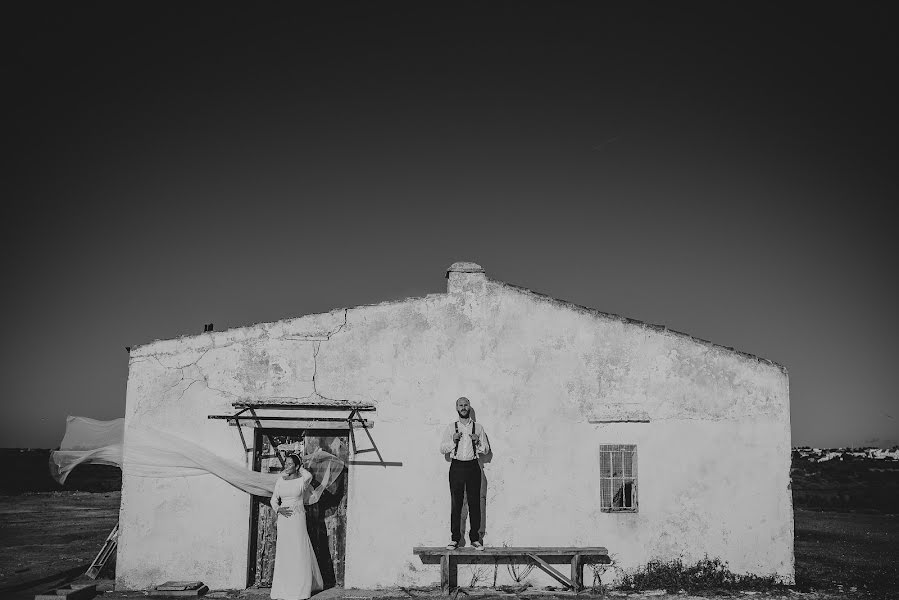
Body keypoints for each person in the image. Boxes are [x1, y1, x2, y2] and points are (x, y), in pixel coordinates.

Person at [439, 396, 490, 550]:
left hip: (473, 466)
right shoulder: (450, 427)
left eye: (466, 405)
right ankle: (455, 538)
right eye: (460, 405)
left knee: (475, 504)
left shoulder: (479, 428)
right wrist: (453, 441)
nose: (463, 407)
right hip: (456, 467)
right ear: (457, 408)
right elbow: (442, 449)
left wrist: (478, 442)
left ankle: (475, 538)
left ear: (469, 407)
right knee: (456, 503)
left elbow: (486, 450)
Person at [270, 454, 323, 600]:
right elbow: (273, 499)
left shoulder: (303, 480)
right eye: (285, 463)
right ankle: (283, 587)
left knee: (299, 549)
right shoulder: (280, 480)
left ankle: (301, 588)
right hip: (284, 519)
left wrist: (300, 462)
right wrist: (278, 509)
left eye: (290, 464)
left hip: (297, 518)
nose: (286, 466)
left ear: (297, 466)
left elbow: (308, 474)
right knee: (285, 550)